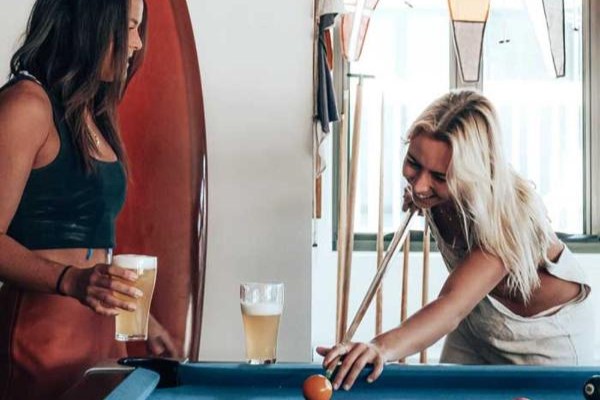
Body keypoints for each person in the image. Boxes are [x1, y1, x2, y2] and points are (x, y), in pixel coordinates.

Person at [317, 89, 594, 391]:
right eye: (414, 163)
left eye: (439, 176)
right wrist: (426, 197)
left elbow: (451, 306)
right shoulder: (431, 194)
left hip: (543, 340)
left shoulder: (509, 216)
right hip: (478, 324)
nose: (420, 185)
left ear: (471, 174)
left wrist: (380, 347)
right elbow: (425, 190)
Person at [0, 1, 177, 399]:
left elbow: (94, 249)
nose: (136, 43)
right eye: (129, 27)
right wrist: (71, 280)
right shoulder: (27, 106)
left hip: (101, 338)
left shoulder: (90, 111)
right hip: (41, 340)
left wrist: (144, 319)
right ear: (89, 21)